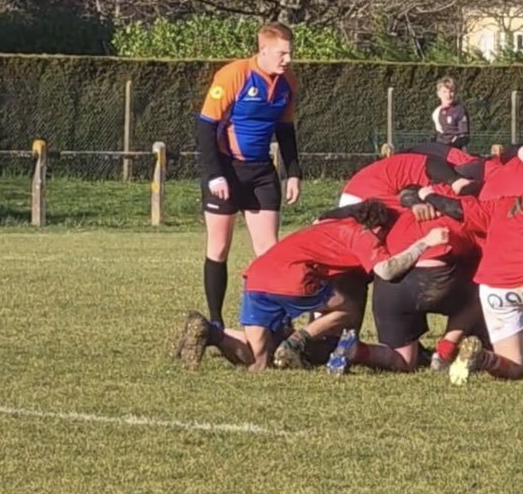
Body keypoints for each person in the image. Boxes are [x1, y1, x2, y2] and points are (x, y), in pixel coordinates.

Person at [175, 200, 449, 371]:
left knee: (258, 360)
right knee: (348, 309)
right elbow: (387, 270)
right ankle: (297, 342)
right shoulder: (362, 234)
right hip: (291, 279)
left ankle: (212, 333)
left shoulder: (330, 225)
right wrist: (426, 242)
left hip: (257, 277)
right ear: (377, 226)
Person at [195, 22, 302, 334]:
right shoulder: (234, 75)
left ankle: (278, 322)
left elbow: (285, 130)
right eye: (282, 53)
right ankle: (216, 321)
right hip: (226, 170)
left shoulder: (288, 83)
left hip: (261, 173)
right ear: (263, 50)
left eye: (290, 53)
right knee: (219, 246)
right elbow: (204, 127)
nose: (288, 59)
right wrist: (215, 175)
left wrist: (293, 173)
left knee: (270, 250)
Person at [325, 190, 484, 376]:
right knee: (484, 290)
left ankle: (357, 350)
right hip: (437, 276)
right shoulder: (465, 211)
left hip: (391, 285)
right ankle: (444, 352)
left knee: (403, 360)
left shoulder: (398, 212)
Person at [443, 174, 523, 385]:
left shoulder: (504, 203)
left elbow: (461, 210)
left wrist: (428, 195)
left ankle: (482, 357)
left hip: (492, 288)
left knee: (514, 367)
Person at [338, 151, 480, 209]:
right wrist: (455, 181)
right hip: (364, 196)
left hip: (356, 192)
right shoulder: (417, 166)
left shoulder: (407, 163)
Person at [432, 76, 470, 148]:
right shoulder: (436, 112)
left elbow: (464, 137)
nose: (448, 95)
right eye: (444, 92)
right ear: (439, 94)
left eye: (451, 91)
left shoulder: (460, 110)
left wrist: (451, 147)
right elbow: (437, 134)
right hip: (440, 150)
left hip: (454, 151)